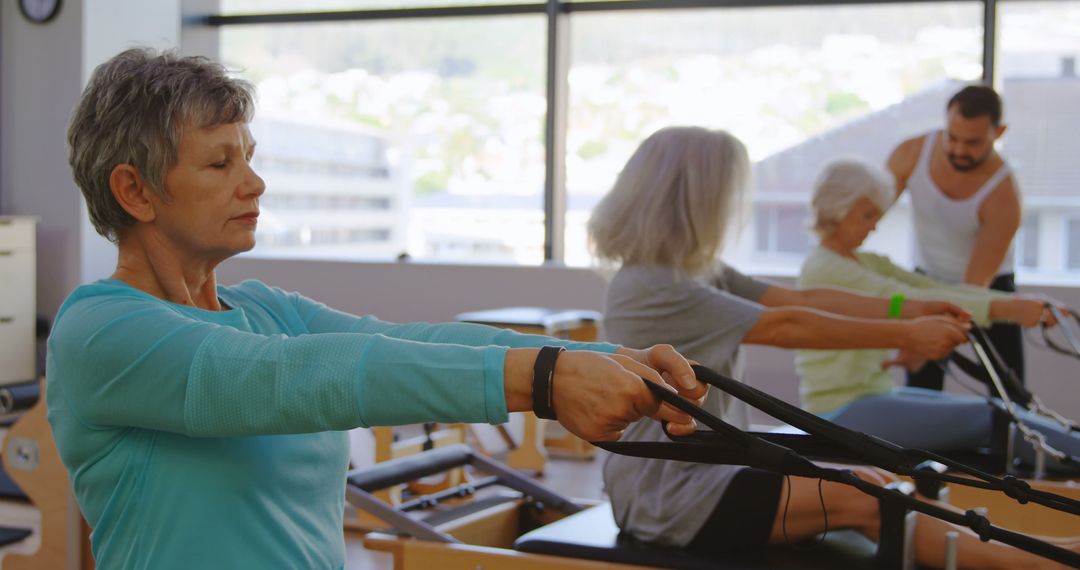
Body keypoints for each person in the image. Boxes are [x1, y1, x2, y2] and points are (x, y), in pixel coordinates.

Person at [47, 48, 706, 569]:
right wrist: (544, 381)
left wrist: (603, 360)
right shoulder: (100, 329)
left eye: (249, 157)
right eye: (220, 164)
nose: (254, 182)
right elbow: (284, 378)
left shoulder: (263, 310)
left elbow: (403, 343)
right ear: (135, 191)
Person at [587, 126, 1080, 569]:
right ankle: (1040, 563)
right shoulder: (652, 284)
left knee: (888, 486)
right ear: (693, 200)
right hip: (670, 494)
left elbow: (800, 299)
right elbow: (786, 325)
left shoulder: (695, 270)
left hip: (715, 471)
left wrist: (909, 312)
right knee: (871, 499)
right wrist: (907, 334)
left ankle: (1031, 548)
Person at [797, 158, 1080, 470]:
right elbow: (912, 299)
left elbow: (931, 287)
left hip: (873, 394)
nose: (874, 225)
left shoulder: (864, 261)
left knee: (1001, 410)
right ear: (838, 207)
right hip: (839, 411)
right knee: (995, 420)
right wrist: (1009, 309)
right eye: (867, 215)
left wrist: (1017, 303)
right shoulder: (826, 267)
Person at [888, 84, 1025, 392]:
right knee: (921, 387)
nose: (959, 150)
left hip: (988, 287)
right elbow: (865, 212)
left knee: (1010, 389)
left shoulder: (1004, 196)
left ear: (998, 132)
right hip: (926, 278)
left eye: (973, 142)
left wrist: (927, 336)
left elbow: (973, 289)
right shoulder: (911, 153)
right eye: (953, 137)